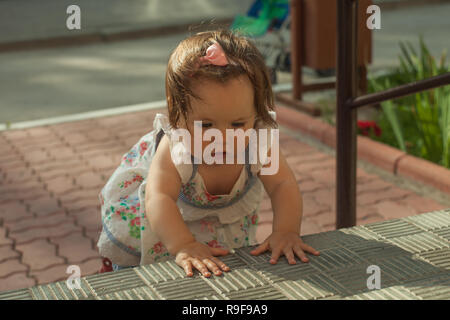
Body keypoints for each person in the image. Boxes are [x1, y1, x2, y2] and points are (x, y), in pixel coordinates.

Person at [97, 28, 320, 277]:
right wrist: (183, 245)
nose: (224, 138)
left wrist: (286, 231)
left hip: (216, 223)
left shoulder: (259, 141)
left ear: (257, 115)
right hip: (161, 221)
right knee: (135, 265)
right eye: (206, 125)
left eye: (238, 124)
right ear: (177, 115)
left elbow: (282, 184)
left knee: (223, 266)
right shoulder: (176, 146)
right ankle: (118, 270)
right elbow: (158, 197)